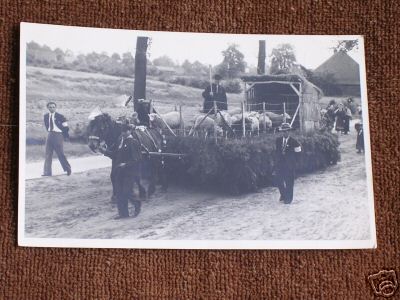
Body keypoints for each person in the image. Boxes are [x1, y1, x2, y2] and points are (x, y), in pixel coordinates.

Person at [100, 124, 142, 219]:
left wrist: (126, 164)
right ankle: (123, 214)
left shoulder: (133, 142)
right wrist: (105, 151)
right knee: (119, 193)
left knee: (127, 191)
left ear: (129, 131)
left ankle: (137, 204)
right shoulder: (121, 142)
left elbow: (138, 159)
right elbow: (116, 155)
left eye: (125, 131)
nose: (123, 133)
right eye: (122, 132)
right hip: (119, 171)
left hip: (129, 172)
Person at [274, 123, 302, 204]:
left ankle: (288, 199)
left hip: (290, 166)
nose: (285, 133)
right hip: (280, 166)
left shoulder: (295, 142)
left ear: (289, 132)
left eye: (286, 131)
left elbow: (299, 155)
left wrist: (294, 164)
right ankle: (283, 194)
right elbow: (277, 152)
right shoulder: (278, 141)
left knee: (289, 183)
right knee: (279, 181)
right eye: (283, 131)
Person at [42, 101, 71, 176]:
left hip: (58, 135)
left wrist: (64, 136)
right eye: (50, 107)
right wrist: (50, 132)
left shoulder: (60, 116)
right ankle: (47, 172)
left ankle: (67, 169)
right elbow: (47, 126)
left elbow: (66, 128)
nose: (52, 108)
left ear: (55, 107)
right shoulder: (45, 116)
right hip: (49, 135)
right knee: (48, 154)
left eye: (53, 107)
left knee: (60, 153)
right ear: (48, 108)